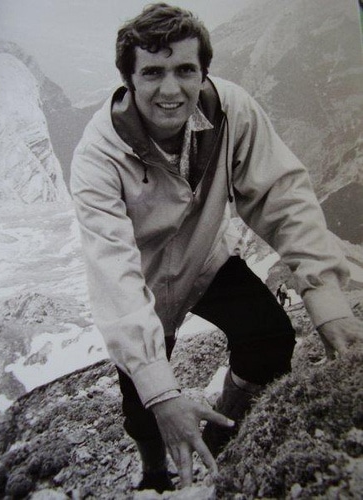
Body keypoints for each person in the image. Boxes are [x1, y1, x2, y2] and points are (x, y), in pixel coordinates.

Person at [70, 3, 363, 493]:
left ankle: (224, 437)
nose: (171, 89)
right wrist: (163, 393)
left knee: (270, 340)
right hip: (139, 285)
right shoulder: (98, 157)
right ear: (128, 79)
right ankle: (154, 473)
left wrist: (327, 300)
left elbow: (281, 197)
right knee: (143, 404)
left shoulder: (231, 110)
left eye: (186, 69)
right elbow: (113, 272)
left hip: (205, 259)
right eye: (153, 72)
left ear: (203, 70)